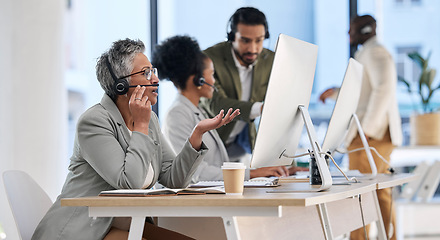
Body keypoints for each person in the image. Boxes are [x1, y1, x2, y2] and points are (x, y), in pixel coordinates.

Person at [32, 38, 239, 240]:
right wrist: (140, 126)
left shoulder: (150, 121)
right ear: (121, 85)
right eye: (146, 73)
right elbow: (129, 184)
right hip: (83, 230)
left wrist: (196, 135)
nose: (155, 79)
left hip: (122, 225)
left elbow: (174, 179)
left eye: (153, 72)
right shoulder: (94, 122)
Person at [154, 35, 305, 183]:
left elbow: (216, 166)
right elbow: (196, 173)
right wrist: (253, 174)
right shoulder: (177, 114)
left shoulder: (198, 110)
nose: (214, 81)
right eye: (212, 74)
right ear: (198, 79)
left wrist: (268, 170)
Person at [319, 15, 402, 240]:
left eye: (352, 30)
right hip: (369, 133)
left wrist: (367, 129)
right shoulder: (368, 52)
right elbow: (362, 92)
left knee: (363, 191)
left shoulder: (375, 52)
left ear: (364, 30)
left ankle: (372, 237)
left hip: (371, 134)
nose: (348, 35)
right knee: (373, 190)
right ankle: (385, 236)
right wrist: (336, 92)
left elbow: (383, 90)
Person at [200, 7, 275, 161]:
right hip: (208, 147)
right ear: (232, 36)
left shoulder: (270, 60)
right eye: (245, 40)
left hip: (239, 148)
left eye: (259, 40)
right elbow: (216, 105)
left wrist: (288, 164)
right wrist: (260, 108)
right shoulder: (209, 59)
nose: (253, 48)